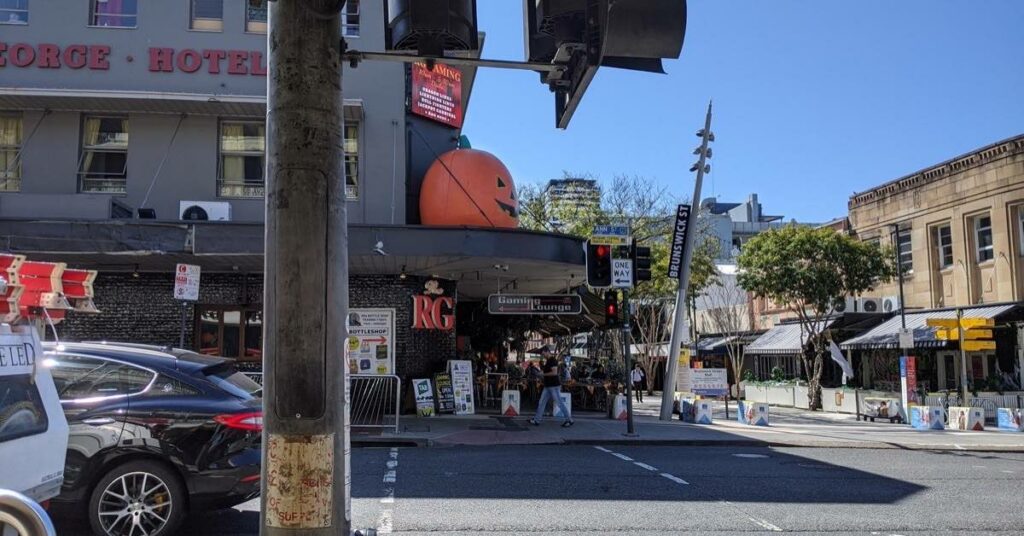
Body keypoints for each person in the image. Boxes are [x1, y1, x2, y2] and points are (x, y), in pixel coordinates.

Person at [529, 351, 574, 427]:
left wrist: (542, 374)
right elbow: (548, 371)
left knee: (559, 402)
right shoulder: (548, 361)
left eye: (543, 354)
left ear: (547, 352)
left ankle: (569, 420)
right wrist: (540, 373)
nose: (543, 356)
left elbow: (554, 373)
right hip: (548, 386)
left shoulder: (553, 360)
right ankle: (536, 420)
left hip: (553, 386)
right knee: (541, 402)